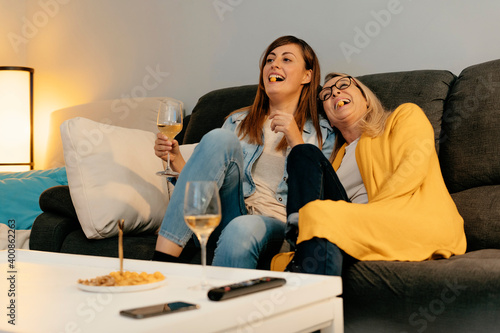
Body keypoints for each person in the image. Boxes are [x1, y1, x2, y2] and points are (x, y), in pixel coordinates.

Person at [152, 35, 335, 269]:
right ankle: (159, 266)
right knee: (219, 138)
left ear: (307, 76)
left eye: (286, 59)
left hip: (273, 224)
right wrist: (176, 159)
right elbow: (204, 188)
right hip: (228, 212)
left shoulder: (323, 133)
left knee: (242, 228)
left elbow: (318, 195)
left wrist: (295, 139)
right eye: (270, 59)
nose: (274, 64)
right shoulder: (237, 121)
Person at [271, 73, 467, 275]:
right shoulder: (335, 161)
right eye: (327, 95)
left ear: (366, 98)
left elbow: (412, 168)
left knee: (319, 215)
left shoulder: (403, 116)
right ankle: (304, 235)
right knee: (305, 153)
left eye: (344, 84)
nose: (335, 92)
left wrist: (368, 216)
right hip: (350, 224)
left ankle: (305, 237)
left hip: (402, 217)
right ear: (329, 120)